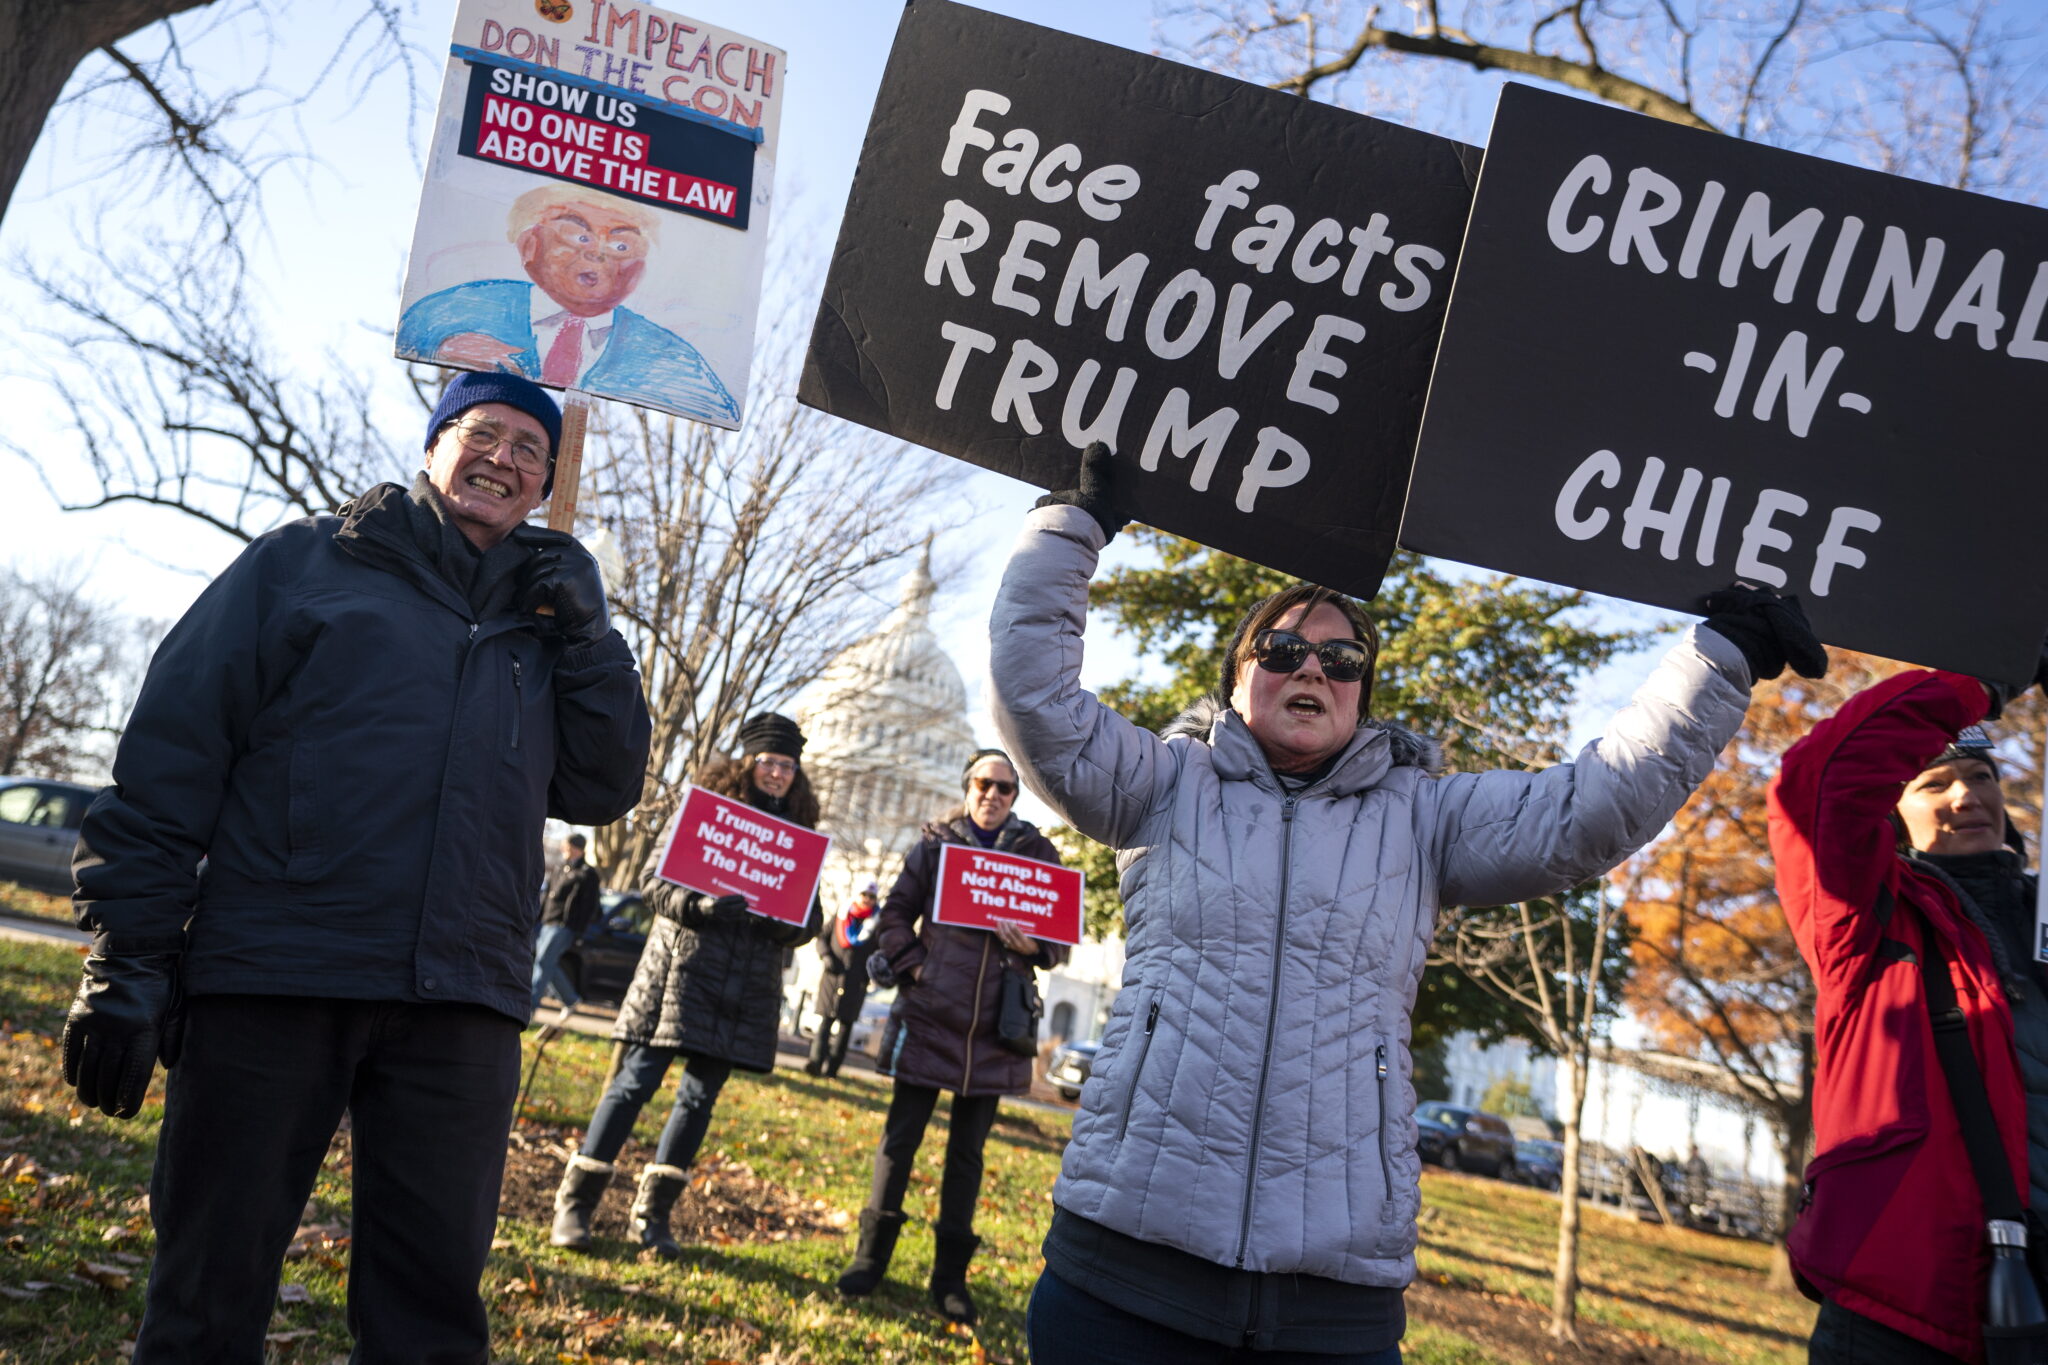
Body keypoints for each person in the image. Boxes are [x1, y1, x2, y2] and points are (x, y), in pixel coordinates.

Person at [986, 444, 1818, 1362]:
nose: (1315, 667)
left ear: (1363, 698)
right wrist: (1067, 532)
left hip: (1333, 1304)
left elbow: (1592, 808)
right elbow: (1038, 702)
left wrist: (1719, 659)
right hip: (1123, 1272)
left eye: (1342, 658)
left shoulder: (1424, 817)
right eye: (1284, 648)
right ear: (1236, 678)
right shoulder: (1161, 784)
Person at [59, 370, 653, 1361]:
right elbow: (172, 756)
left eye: (529, 452)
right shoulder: (304, 567)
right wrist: (129, 954)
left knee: (429, 1315)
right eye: (485, 432)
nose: (503, 460)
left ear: (546, 484)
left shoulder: (550, 629)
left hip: (460, 1002)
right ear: (433, 443)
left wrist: (592, 640)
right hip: (277, 973)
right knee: (209, 1287)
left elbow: (602, 782)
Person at [1771, 659, 2048, 1363]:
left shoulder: (2039, 916)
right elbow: (1821, 781)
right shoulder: (1866, 920)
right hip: (1903, 1313)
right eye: (1933, 783)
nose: (1966, 795)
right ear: (1896, 812)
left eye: (1981, 776)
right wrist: (1988, 674)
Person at [550, 713, 820, 1257]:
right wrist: (699, 907)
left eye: (787, 766)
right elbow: (654, 884)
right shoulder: (705, 813)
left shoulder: (801, 838)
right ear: (748, 763)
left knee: (699, 1100)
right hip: (681, 975)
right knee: (633, 1085)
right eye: (768, 762)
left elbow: (811, 920)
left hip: (741, 990)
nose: (776, 774)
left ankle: (651, 1217)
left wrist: (781, 921)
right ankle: (575, 1206)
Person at [835, 749, 1071, 1327]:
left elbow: (1059, 942)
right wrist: (917, 967)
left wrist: (1030, 948)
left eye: (1005, 788)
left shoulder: (1038, 854)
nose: (993, 795)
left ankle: (949, 1281)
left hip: (998, 1029)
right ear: (967, 789)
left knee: (967, 1158)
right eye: (983, 784)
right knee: (899, 1142)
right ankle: (869, 1261)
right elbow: (893, 915)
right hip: (931, 1015)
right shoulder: (935, 847)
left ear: (1016, 798)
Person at [396, 184, 741, 424]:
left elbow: (714, 407)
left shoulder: (674, 360)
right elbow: (413, 333)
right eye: (579, 236)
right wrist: (442, 346)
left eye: (621, 246)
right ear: (530, 244)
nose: (597, 252)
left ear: (640, 270)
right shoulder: (457, 308)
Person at [807, 882, 880, 1077]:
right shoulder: (841, 916)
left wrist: (868, 974)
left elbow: (880, 952)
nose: (867, 899)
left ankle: (832, 1070)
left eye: (871, 897)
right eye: (864, 894)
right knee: (825, 1023)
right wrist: (826, 956)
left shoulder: (877, 924)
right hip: (833, 977)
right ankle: (814, 1064)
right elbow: (822, 937)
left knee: (845, 1027)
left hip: (856, 982)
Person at [531, 832, 604, 1019]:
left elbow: (590, 905)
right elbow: (547, 896)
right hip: (547, 922)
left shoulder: (587, 874)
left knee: (544, 961)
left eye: (566, 845)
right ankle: (570, 999)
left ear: (576, 848)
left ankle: (529, 1007)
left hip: (565, 926)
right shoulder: (560, 868)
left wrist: (579, 930)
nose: (563, 849)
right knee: (546, 962)